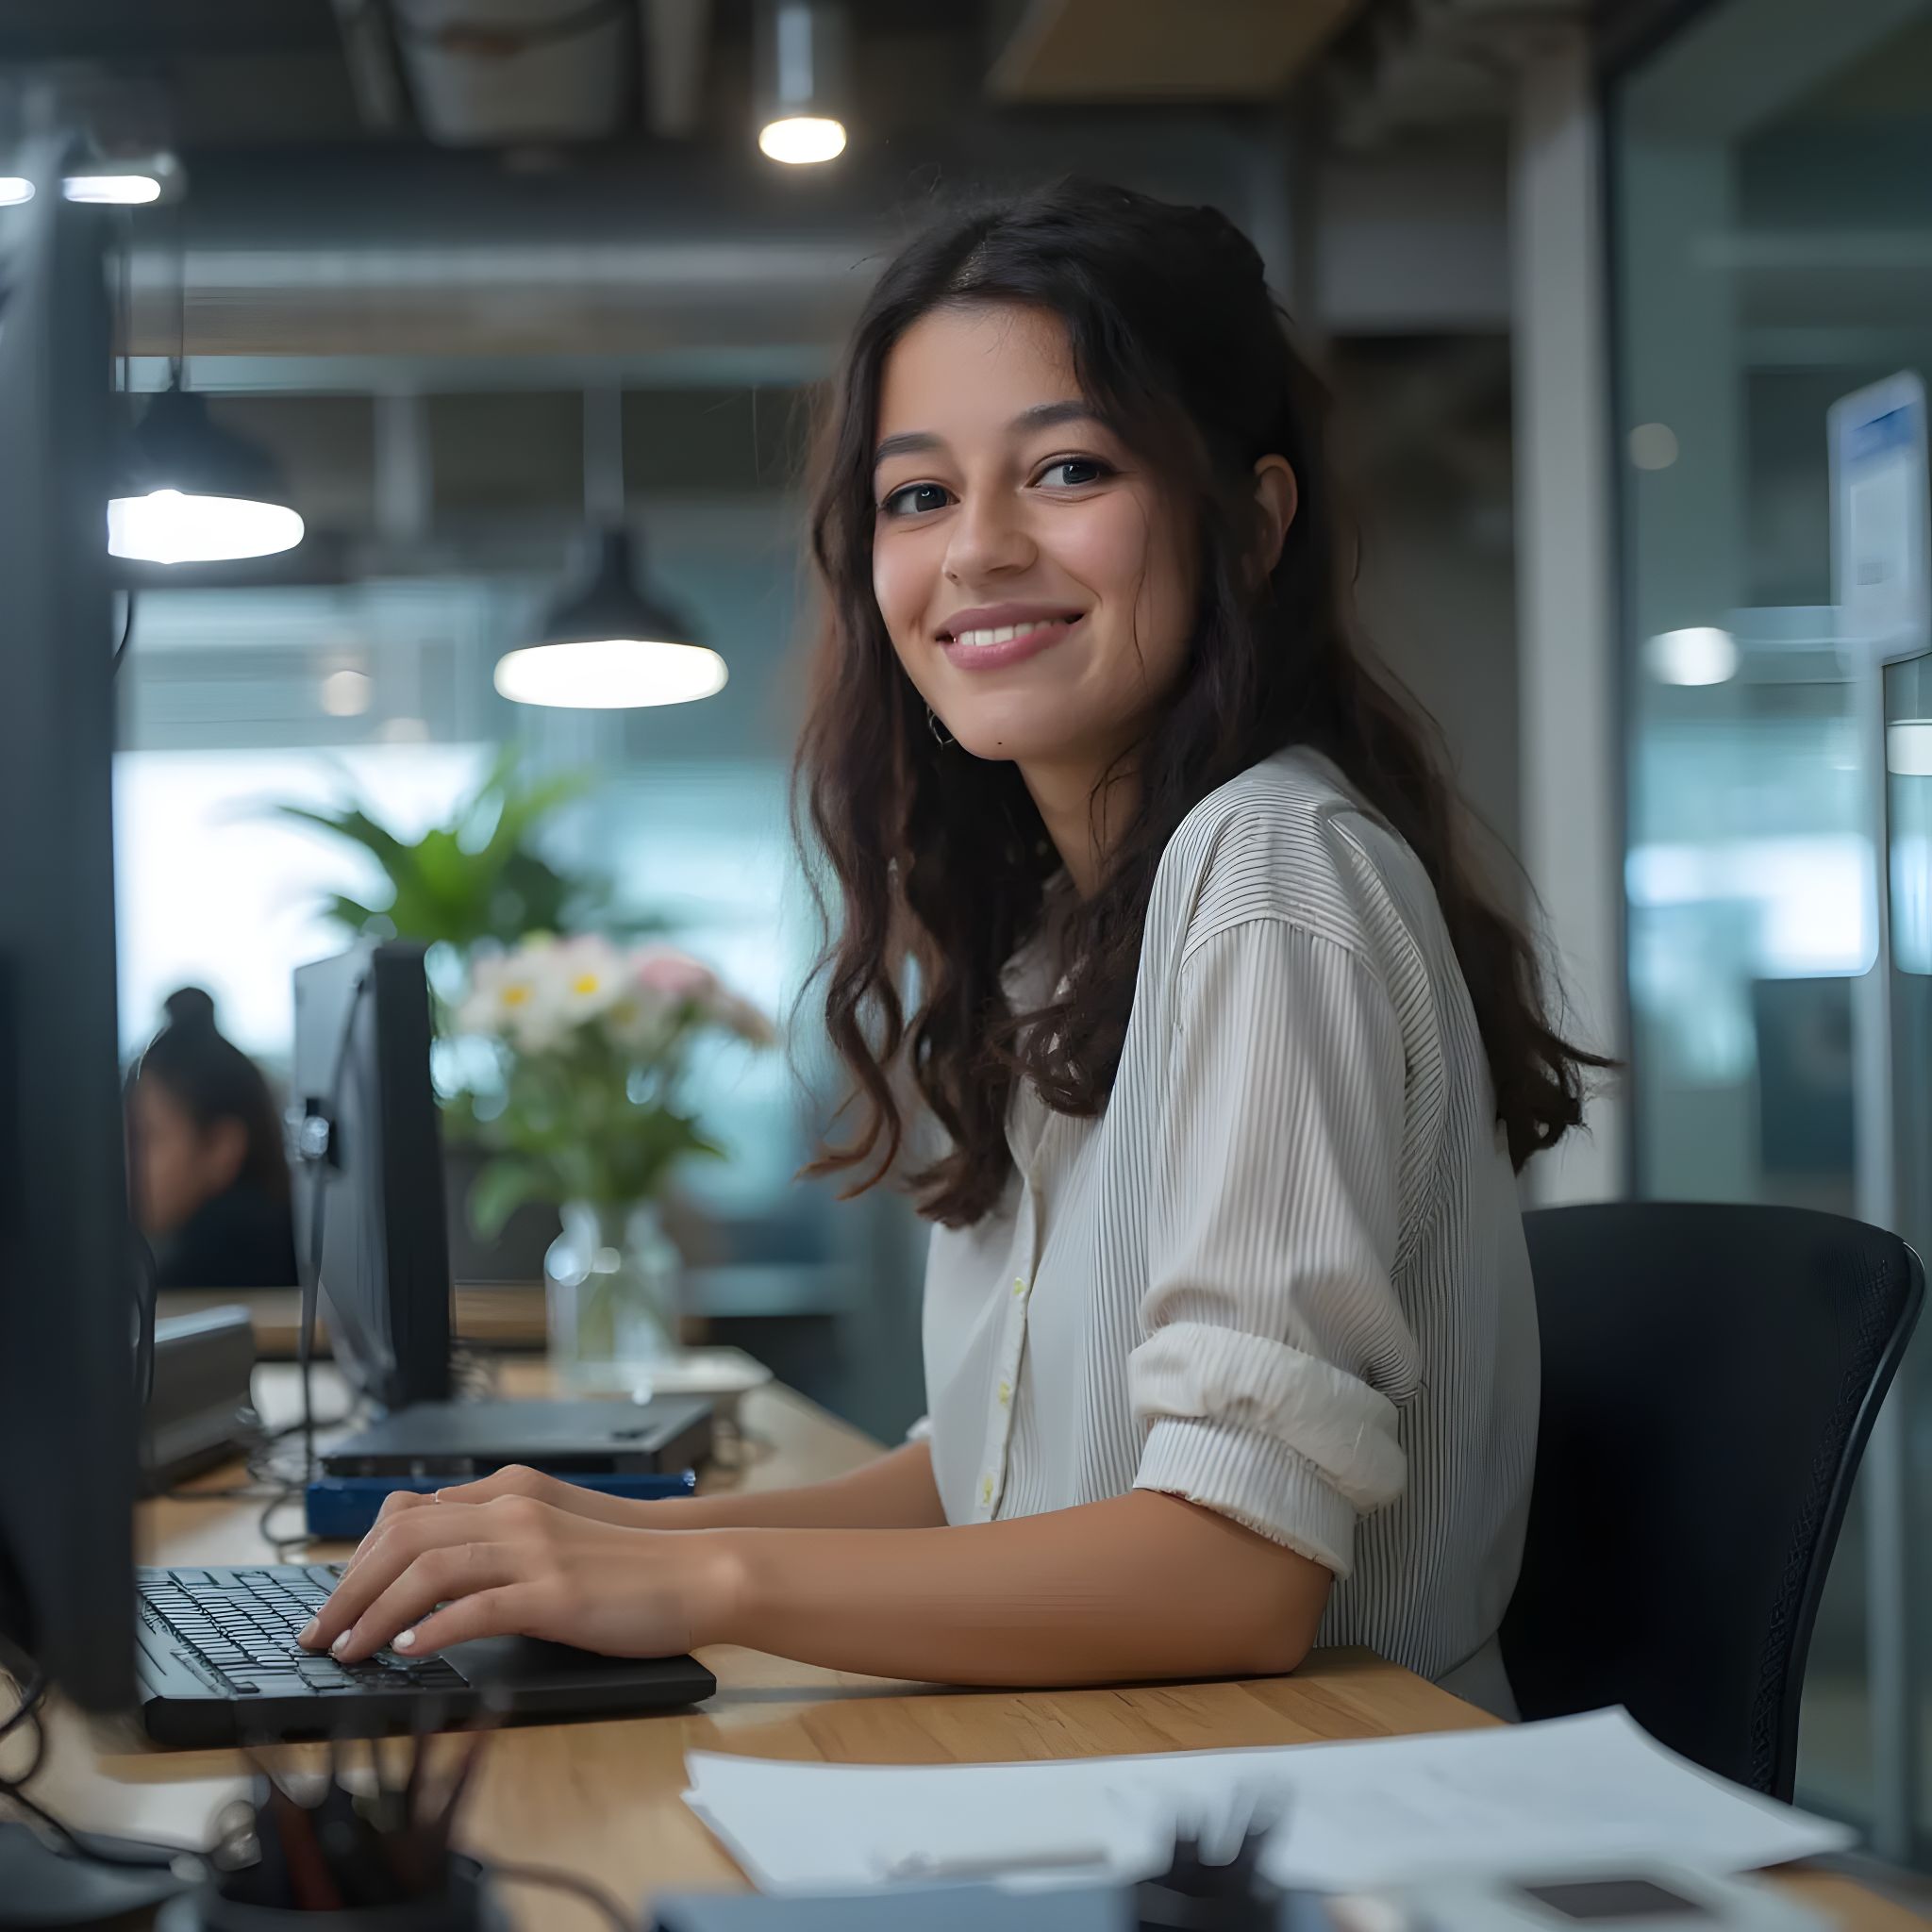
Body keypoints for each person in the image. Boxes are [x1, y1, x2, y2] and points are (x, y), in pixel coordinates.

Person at [301, 180, 1601, 1717]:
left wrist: (699, 1581)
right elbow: (989, 1475)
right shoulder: (1058, 939)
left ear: (1246, 524)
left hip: (1304, 1811)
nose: (976, 549)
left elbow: (1230, 1572)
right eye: (915, 495)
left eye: (1064, 468)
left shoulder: (1265, 871)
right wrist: (591, 1537)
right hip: (1114, 1768)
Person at [129, 987, 299, 1292]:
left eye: (146, 1138)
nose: (128, 1160)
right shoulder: (295, 1247)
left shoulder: (205, 1276)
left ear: (222, 1148)